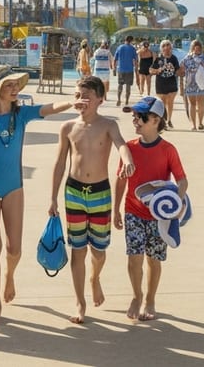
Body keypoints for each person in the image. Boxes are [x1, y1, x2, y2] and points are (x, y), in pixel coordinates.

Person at [0, 65, 76, 325]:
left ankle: (10, 275)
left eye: (16, 84)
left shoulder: (22, 114)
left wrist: (75, 100)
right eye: (9, 85)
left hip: (15, 185)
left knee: (14, 248)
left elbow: (50, 108)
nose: (15, 89)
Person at [48, 75, 136, 324]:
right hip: (74, 191)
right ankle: (80, 301)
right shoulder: (67, 127)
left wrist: (127, 160)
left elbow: (121, 144)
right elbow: (59, 163)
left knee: (98, 250)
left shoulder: (108, 125)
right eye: (77, 95)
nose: (81, 100)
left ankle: (95, 278)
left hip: (100, 192)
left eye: (86, 96)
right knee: (78, 249)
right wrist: (53, 198)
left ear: (100, 98)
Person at [113, 96, 187, 322]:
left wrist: (176, 204)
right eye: (134, 116)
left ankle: (150, 299)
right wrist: (116, 209)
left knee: (154, 259)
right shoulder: (129, 149)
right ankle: (137, 296)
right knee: (133, 257)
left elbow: (182, 180)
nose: (135, 120)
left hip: (158, 216)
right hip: (133, 210)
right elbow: (121, 180)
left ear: (156, 120)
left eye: (140, 117)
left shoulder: (168, 150)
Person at [180, 40, 204, 130]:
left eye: (199, 48)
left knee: (201, 104)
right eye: (195, 47)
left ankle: (200, 123)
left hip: (202, 83)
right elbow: (181, 69)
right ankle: (193, 125)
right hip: (190, 84)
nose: (197, 49)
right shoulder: (187, 58)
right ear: (192, 48)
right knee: (192, 104)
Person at [149, 40, 181, 127]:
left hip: (172, 83)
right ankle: (163, 121)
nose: (166, 47)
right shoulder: (158, 58)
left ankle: (169, 120)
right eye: (164, 46)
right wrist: (158, 70)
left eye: (168, 45)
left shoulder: (174, 58)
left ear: (171, 47)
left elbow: (178, 70)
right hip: (161, 83)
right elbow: (151, 70)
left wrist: (181, 71)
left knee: (170, 102)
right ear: (161, 48)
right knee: (162, 104)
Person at [113, 36, 138, 107]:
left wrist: (114, 68)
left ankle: (119, 99)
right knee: (128, 86)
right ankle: (126, 100)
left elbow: (115, 59)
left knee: (120, 85)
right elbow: (136, 60)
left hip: (121, 69)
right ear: (131, 41)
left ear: (125, 40)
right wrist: (136, 69)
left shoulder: (119, 47)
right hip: (129, 69)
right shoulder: (132, 48)